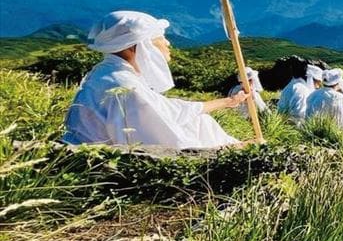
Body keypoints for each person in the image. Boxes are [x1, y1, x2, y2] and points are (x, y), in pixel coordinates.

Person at [63, 11, 247, 149]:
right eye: (160, 38)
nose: (168, 44)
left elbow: (172, 111)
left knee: (201, 122)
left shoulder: (110, 72)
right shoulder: (125, 86)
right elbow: (166, 139)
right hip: (107, 163)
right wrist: (236, 148)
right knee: (198, 127)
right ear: (135, 47)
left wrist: (229, 102)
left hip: (97, 150)